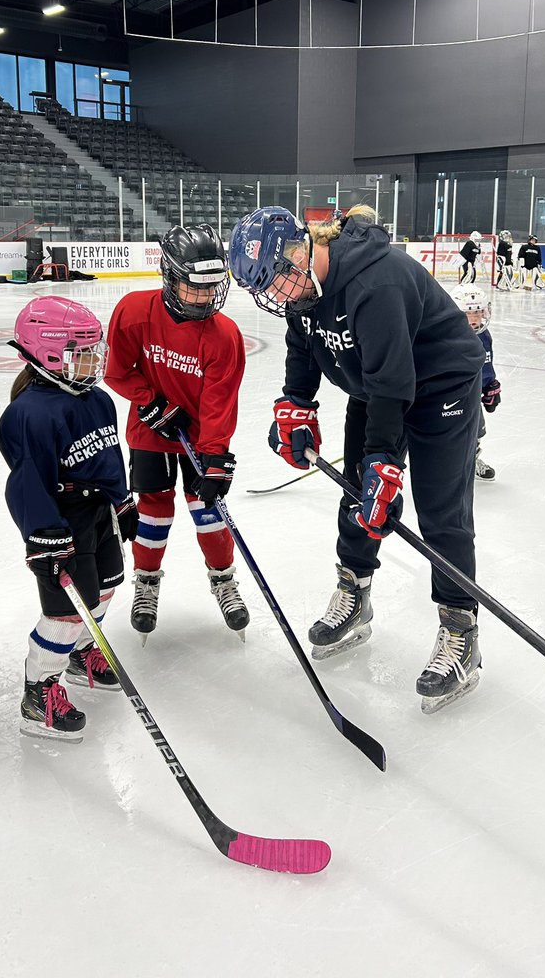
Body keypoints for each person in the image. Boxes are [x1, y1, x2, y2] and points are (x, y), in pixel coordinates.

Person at [228, 206, 486, 714]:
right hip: (377, 385)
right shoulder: (302, 287)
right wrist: (296, 403)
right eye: (266, 288)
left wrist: (383, 461)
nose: (277, 295)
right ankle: (355, 592)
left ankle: (461, 630)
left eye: (277, 279)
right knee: (357, 497)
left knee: (441, 510)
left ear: (300, 250)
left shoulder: (376, 281)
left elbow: (394, 380)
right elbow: (303, 344)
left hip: (440, 386)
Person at [0, 297, 136, 742]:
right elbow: (26, 483)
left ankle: (80, 653)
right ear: (50, 355)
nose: (96, 361)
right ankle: (39, 692)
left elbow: (110, 455)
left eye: (96, 350)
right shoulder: (29, 414)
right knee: (67, 612)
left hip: (99, 513)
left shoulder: (97, 400)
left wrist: (122, 501)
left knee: (108, 584)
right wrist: (43, 536)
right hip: (61, 523)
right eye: (84, 352)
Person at [103, 224, 248, 645]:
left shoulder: (224, 336)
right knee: (153, 511)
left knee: (208, 509)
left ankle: (223, 579)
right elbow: (116, 371)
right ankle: (146, 581)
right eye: (194, 286)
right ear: (169, 275)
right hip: (150, 433)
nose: (205, 297)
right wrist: (149, 401)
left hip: (200, 436)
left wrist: (215, 455)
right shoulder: (134, 311)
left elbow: (219, 402)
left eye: (212, 287)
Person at [451, 285, 501, 482]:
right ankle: (448, 467)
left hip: (471, 396)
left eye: (478, 312)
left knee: (477, 430)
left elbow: (486, 364)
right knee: (449, 436)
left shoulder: (484, 336)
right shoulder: (446, 337)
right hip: (449, 397)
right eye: (468, 314)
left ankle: (471, 459)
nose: (474, 319)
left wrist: (489, 385)